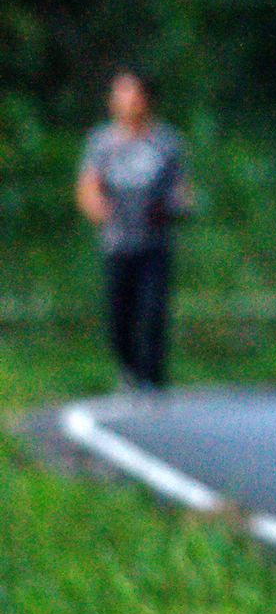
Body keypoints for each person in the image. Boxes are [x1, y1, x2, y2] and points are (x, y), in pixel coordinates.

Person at [77, 67, 193, 395]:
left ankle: (152, 376)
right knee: (120, 315)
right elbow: (88, 186)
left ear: (146, 99)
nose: (124, 100)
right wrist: (99, 210)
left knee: (153, 308)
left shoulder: (167, 142)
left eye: (131, 93)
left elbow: (182, 188)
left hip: (155, 241)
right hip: (117, 241)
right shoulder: (101, 142)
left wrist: (176, 207)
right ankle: (128, 368)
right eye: (119, 93)